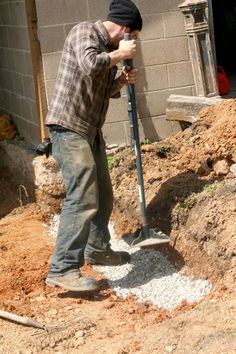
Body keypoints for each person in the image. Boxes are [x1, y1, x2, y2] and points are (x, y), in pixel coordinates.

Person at [45, 0, 143, 293]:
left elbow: (102, 88)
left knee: (103, 192)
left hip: (90, 130)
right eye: (134, 35)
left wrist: (121, 82)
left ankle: (97, 248)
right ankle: (62, 268)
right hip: (68, 127)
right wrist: (119, 54)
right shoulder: (84, 32)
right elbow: (90, 65)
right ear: (125, 29)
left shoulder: (107, 49)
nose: (134, 41)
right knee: (84, 195)